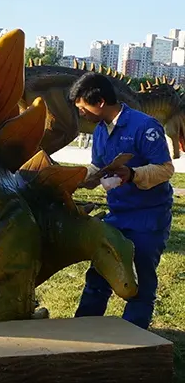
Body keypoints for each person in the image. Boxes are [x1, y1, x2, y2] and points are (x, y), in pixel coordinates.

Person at [71, 72, 174, 329]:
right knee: (99, 275)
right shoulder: (99, 131)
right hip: (117, 215)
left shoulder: (145, 127)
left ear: (100, 102)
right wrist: (79, 178)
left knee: (139, 280)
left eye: (83, 107)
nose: (81, 113)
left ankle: (136, 339)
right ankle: (83, 329)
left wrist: (134, 175)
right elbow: (98, 166)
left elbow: (165, 169)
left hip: (147, 217)